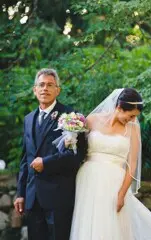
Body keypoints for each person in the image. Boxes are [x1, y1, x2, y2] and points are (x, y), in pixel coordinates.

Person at [69, 88, 151, 240]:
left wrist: (121, 194)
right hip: (88, 179)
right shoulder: (92, 120)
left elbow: (132, 165)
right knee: (88, 221)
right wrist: (69, 138)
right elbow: (78, 149)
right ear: (120, 107)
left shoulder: (133, 129)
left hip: (114, 182)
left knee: (112, 225)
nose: (133, 119)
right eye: (131, 115)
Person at [14, 68, 86, 240]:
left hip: (58, 197)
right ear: (35, 90)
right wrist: (21, 193)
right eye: (41, 85)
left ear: (57, 90)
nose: (45, 88)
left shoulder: (71, 117)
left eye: (50, 85)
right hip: (33, 197)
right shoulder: (28, 119)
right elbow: (26, 159)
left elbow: (76, 155)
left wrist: (46, 162)